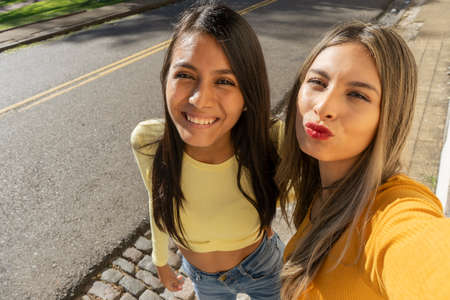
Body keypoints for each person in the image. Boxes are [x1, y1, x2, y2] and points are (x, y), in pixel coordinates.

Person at [276, 21, 450, 300]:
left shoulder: (392, 214)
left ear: (389, 117)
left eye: (357, 95)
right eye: (317, 82)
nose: (323, 107)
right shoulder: (324, 187)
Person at [131, 2, 284, 299]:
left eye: (225, 81)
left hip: (263, 268)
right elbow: (158, 198)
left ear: (248, 94)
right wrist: (160, 260)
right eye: (185, 75)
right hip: (203, 279)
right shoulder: (150, 142)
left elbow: (320, 200)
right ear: (166, 78)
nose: (200, 100)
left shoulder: (270, 140)